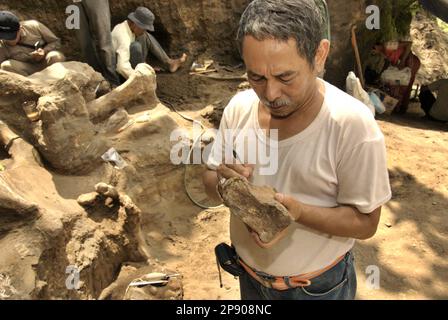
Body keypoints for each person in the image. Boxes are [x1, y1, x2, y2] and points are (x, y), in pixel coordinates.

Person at [203, 0, 391, 300]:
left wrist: (299, 213)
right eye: (256, 77)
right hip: (249, 280)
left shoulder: (353, 127)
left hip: (317, 289)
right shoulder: (239, 108)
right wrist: (226, 183)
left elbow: (367, 222)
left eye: (285, 77)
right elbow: (210, 181)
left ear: (319, 55)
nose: (270, 94)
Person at [111, 6, 187, 81]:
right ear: (135, 24)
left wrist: (147, 66)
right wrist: (141, 79)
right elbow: (121, 67)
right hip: (118, 74)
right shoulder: (123, 35)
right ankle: (141, 73)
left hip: (129, 65)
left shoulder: (130, 28)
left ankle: (169, 62)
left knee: (144, 36)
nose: (144, 31)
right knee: (136, 47)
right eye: (143, 28)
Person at [0, 11, 65, 76]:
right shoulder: (2, 44)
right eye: (4, 37)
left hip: (46, 62)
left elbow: (56, 42)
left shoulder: (34, 26)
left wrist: (44, 51)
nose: (8, 40)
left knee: (55, 56)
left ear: (20, 29)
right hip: (28, 69)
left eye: (11, 36)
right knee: (6, 66)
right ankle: (27, 84)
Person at [73, 0, 120, 87]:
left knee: (104, 40)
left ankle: (113, 81)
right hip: (73, 3)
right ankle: (97, 81)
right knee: (84, 44)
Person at [373, 40, 421, 114]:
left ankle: (402, 107)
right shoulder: (383, 52)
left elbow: (409, 44)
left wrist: (402, 61)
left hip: (410, 61)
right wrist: (381, 75)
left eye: (373, 49)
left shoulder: (388, 45)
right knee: (396, 84)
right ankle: (396, 106)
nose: (373, 52)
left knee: (406, 84)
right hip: (401, 64)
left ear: (377, 46)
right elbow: (387, 62)